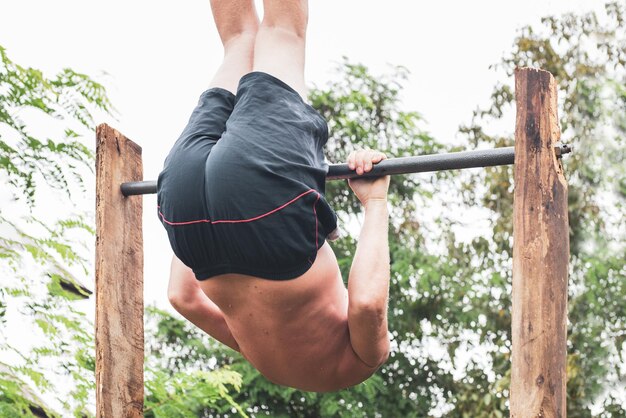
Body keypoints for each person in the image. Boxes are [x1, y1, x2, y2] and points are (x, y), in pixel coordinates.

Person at [157, 0, 391, 392]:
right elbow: (183, 296)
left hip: (266, 212)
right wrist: (212, 207)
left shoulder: (362, 361)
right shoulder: (258, 355)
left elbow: (368, 305)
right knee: (240, 42)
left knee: (283, 34)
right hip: (189, 219)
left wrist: (375, 202)